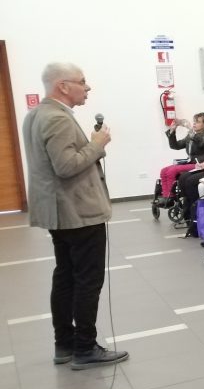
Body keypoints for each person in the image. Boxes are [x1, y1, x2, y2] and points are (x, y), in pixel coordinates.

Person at [22, 62, 128, 369]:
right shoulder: (58, 118)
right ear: (63, 86)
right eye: (82, 81)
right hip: (78, 211)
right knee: (87, 281)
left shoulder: (36, 115)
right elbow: (66, 166)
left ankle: (65, 344)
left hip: (59, 212)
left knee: (66, 276)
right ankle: (85, 347)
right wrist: (97, 145)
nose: (88, 86)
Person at [159, 113, 204, 202]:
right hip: (191, 162)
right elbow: (175, 146)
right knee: (164, 171)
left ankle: (171, 197)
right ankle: (166, 196)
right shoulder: (192, 135)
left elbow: (202, 143)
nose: (194, 123)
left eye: (198, 122)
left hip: (201, 164)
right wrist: (172, 130)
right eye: (194, 121)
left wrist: (190, 129)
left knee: (172, 171)